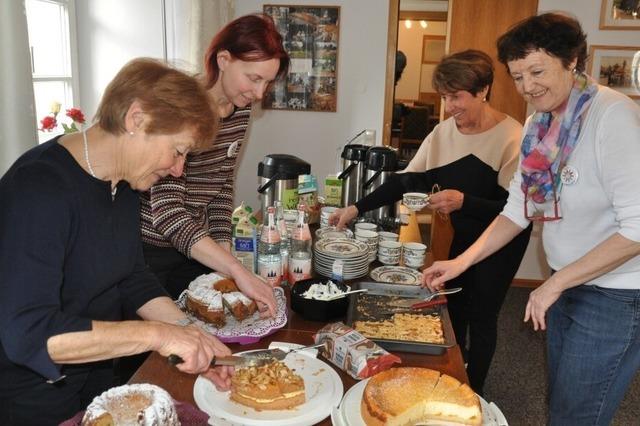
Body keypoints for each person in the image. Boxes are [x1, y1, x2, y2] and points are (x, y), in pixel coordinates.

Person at [422, 13, 640, 425]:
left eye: (537, 71)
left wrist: (553, 283)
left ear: (572, 60)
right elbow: (518, 209)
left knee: (578, 414)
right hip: (568, 280)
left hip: (614, 294)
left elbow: (638, 228)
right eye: (518, 77)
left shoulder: (612, 117)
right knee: (561, 401)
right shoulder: (539, 125)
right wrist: (460, 262)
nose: (527, 86)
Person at [0, 58, 234, 425]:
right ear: (136, 119)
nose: (179, 169)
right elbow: (30, 334)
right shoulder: (39, 188)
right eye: (178, 150)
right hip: (31, 394)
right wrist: (159, 336)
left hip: (94, 374)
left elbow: (130, 276)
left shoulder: (122, 184)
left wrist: (191, 333)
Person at [330, 49, 532, 395]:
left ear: (483, 91)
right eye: (444, 97)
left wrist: (463, 201)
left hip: (502, 243)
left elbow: (515, 209)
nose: (449, 106)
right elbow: (404, 182)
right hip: (465, 236)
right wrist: (354, 209)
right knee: (455, 307)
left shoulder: (512, 136)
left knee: (483, 316)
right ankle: (457, 371)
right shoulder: (442, 133)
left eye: (457, 97)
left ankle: (475, 393)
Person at [139, 14, 290, 314]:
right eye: (254, 78)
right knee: (155, 352)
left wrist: (223, 248)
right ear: (223, 59)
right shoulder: (181, 109)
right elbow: (167, 212)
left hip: (197, 249)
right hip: (150, 252)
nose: (260, 93)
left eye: (268, 82)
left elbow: (221, 186)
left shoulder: (240, 110)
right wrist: (235, 269)